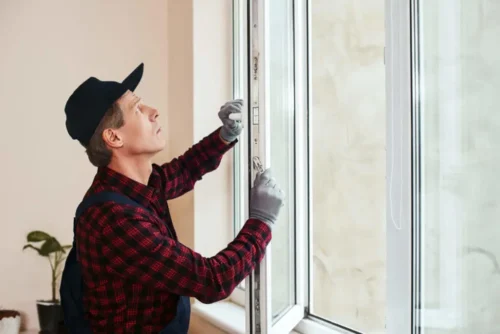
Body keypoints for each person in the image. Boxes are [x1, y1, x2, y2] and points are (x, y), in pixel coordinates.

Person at [62, 63, 284, 333]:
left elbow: (185, 169)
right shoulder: (114, 218)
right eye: (137, 109)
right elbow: (212, 280)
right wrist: (261, 222)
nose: (153, 112)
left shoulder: (133, 185)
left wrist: (225, 135)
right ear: (113, 136)